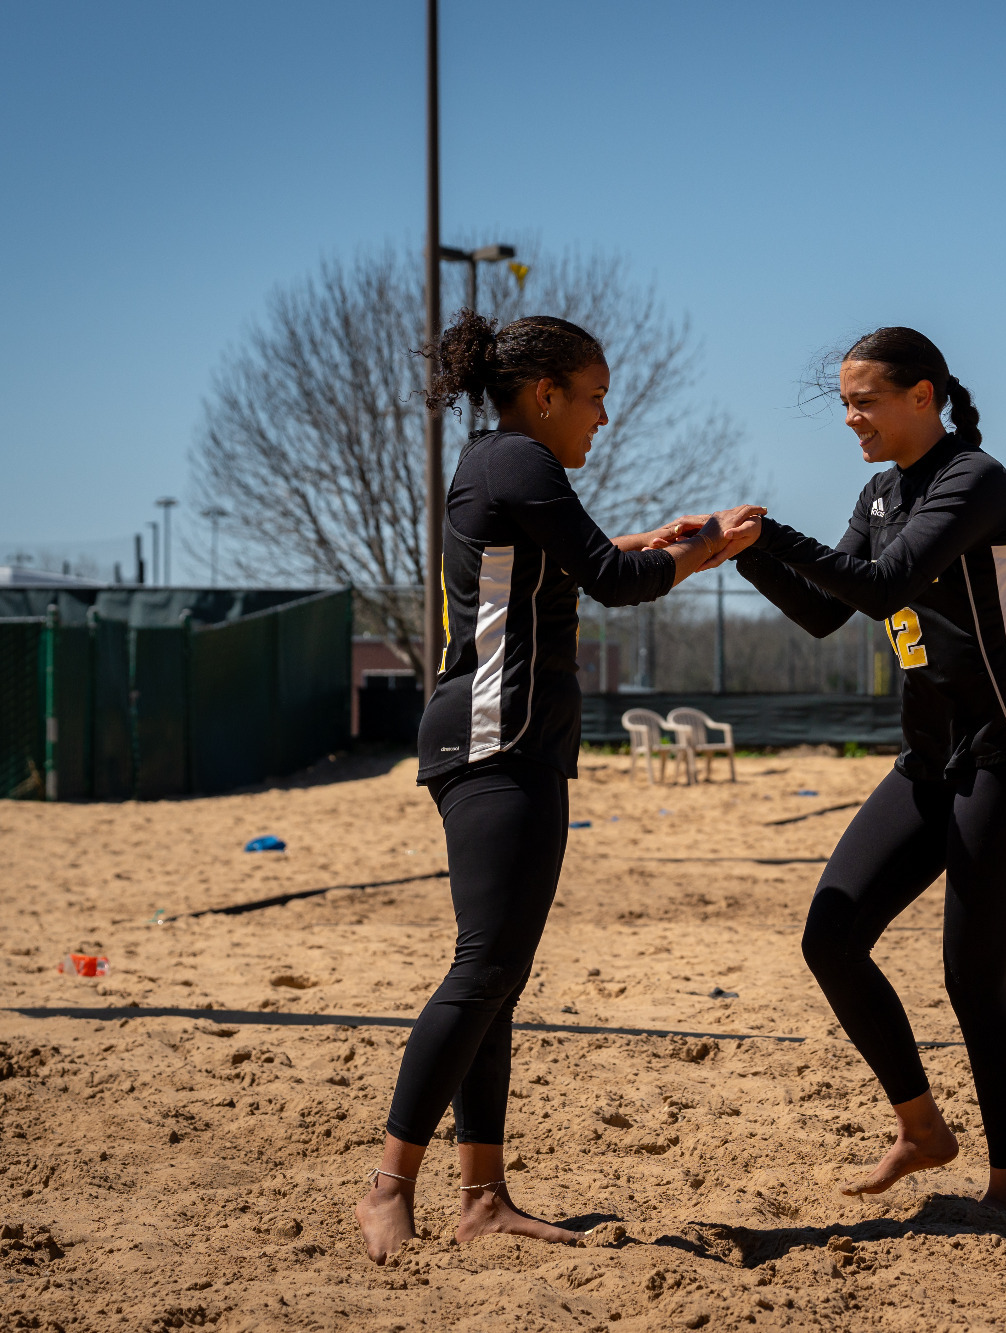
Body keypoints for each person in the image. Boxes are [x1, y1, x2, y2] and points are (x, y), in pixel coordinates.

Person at [356, 311, 762, 1264]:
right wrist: (702, 551)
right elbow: (614, 581)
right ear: (545, 394)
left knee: (499, 975)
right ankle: (389, 1186)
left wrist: (656, 538)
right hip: (494, 740)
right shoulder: (519, 462)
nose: (604, 418)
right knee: (485, 966)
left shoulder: (503, 467)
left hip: (512, 740)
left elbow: (563, 566)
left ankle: (484, 1196)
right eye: (595, 397)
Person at [734, 327, 1006, 1217]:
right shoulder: (881, 490)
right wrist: (746, 549)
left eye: (864, 400)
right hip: (929, 764)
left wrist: (774, 531)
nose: (851, 418)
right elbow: (819, 611)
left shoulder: (975, 478)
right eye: (844, 402)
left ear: (923, 396)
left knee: (970, 983)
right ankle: (922, 1128)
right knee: (830, 938)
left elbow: (881, 586)